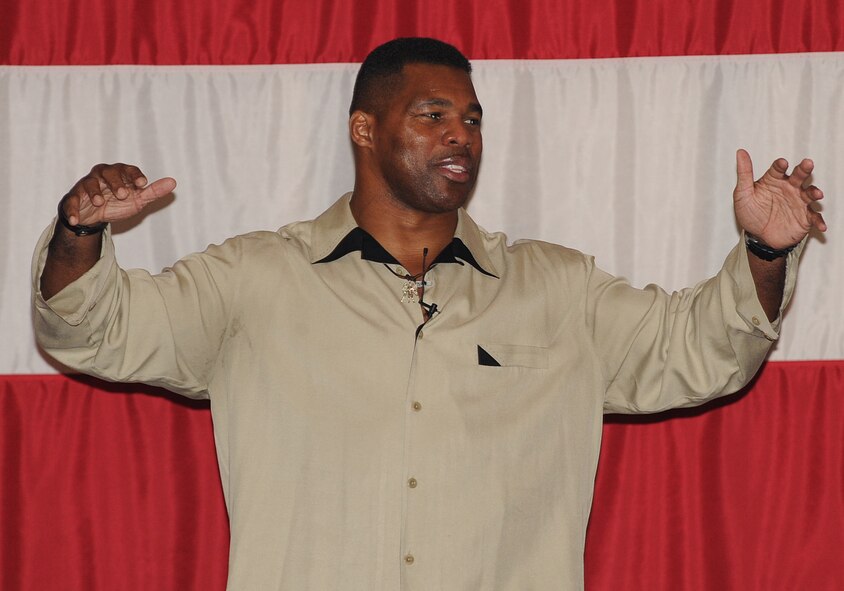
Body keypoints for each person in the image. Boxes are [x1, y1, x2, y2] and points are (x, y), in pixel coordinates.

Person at [33, 38, 825, 590]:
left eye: (472, 119)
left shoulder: (558, 289)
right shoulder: (255, 280)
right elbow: (92, 328)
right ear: (364, 129)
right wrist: (79, 233)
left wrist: (763, 251)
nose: (460, 136)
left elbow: (699, 349)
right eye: (433, 115)